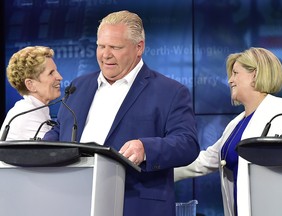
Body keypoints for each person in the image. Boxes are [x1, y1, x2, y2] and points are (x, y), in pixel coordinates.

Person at [43, 10, 200, 216]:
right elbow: (61, 130)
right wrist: (42, 148)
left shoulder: (169, 91)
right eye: (101, 46)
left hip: (134, 205)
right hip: (73, 201)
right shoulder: (79, 86)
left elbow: (188, 143)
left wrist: (146, 148)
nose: (105, 54)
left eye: (115, 47)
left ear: (139, 48)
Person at [174, 47, 282, 216]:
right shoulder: (235, 125)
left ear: (255, 75)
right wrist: (159, 172)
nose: (230, 80)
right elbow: (204, 161)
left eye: (235, 73)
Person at [0, 46, 63, 140]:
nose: (59, 77)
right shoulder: (27, 115)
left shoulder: (34, 109)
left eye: (56, 71)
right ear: (30, 85)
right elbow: (54, 152)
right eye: (51, 73)